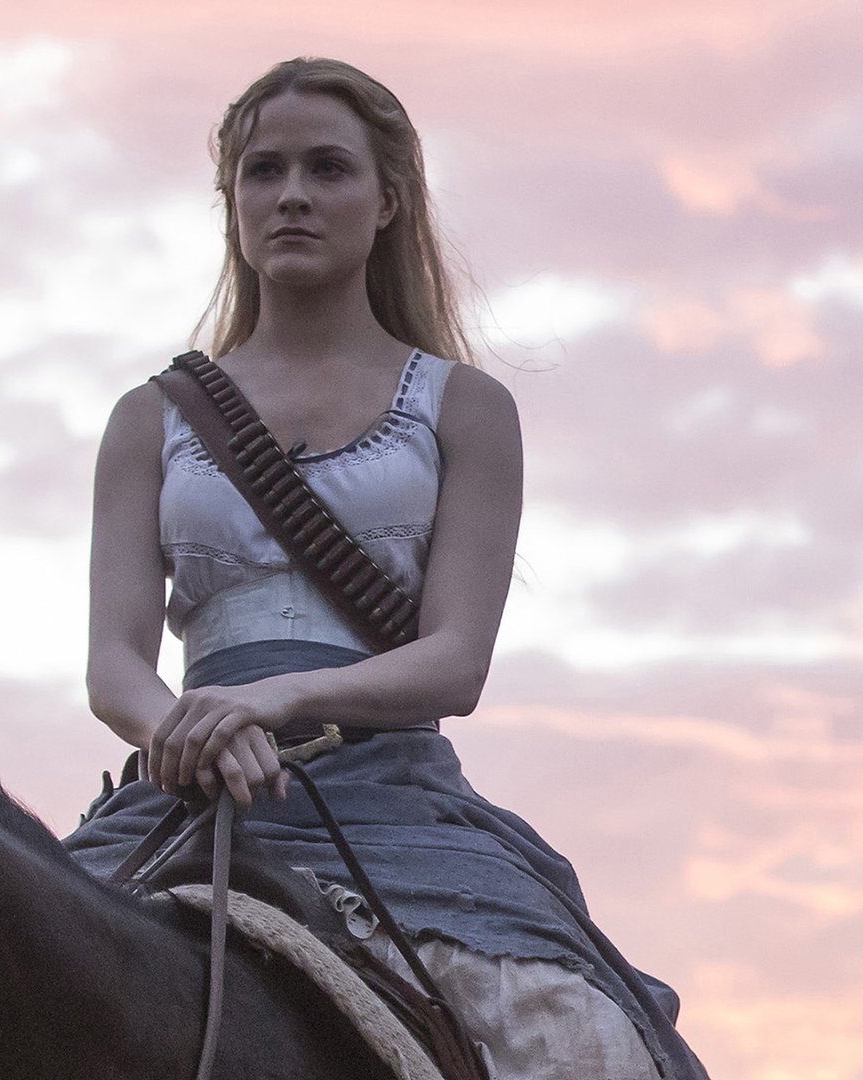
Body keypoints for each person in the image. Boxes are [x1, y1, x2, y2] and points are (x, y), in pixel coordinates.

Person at [63, 57, 706, 1080]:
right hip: (188, 793)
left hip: (395, 798)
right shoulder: (149, 419)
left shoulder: (466, 408)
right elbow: (113, 666)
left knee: (586, 1046)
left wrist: (271, 701)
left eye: (328, 169)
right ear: (232, 202)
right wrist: (187, 730)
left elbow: (456, 663)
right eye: (264, 172)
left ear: (389, 199)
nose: (294, 196)